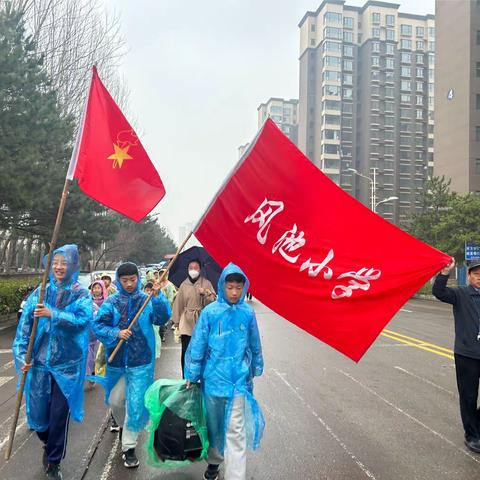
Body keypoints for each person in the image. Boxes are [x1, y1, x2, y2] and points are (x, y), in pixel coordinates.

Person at [12, 244, 92, 480]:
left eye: (64, 262)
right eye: (55, 262)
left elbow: (82, 320)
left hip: (67, 366)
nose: (58, 267)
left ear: (73, 266)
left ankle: (54, 461)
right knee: (38, 417)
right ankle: (48, 444)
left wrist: (53, 314)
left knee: (58, 415)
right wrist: (21, 357)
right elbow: (23, 330)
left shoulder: (80, 293)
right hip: (38, 365)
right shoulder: (41, 292)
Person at [184, 263, 264, 480]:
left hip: (238, 381)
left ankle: (235, 476)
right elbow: (198, 344)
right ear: (222, 286)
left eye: (239, 287)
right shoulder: (210, 313)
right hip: (213, 380)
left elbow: (255, 343)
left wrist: (256, 365)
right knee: (214, 426)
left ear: (244, 287)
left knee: (235, 431)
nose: (235, 292)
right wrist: (192, 374)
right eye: (230, 287)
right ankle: (214, 461)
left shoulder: (247, 313)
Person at [92, 262, 171, 469]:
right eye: (125, 280)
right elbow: (98, 325)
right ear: (119, 280)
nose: (129, 284)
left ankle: (129, 447)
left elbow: (163, 318)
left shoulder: (146, 300)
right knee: (116, 401)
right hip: (117, 363)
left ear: (138, 279)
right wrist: (116, 333)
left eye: (132, 279)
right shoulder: (111, 302)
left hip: (141, 363)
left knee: (135, 405)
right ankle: (122, 424)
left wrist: (159, 297)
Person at [433, 258, 480, 453]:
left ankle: (476, 422)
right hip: (467, 355)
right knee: (469, 396)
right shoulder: (460, 294)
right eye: (477, 274)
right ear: (469, 276)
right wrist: (445, 273)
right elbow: (439, 292)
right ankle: (472, 435)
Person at [171, 259, 216, 377]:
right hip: (186, 321)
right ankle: (185, 376)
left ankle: (201, 376)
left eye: (196, 268)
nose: (193, 270)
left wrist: (205, 294)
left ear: (200, 269)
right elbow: (178, 303)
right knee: (186, 349)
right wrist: (176, 322)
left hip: (202, 320)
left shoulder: (206, 283)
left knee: (202, 349)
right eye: (191, 268)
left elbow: (214, 303)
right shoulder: (183, 285)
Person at [86, 280, 108, 389]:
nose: (96, 290)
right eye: (94, 288)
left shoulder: (106, 301)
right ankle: (90, 374)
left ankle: (94, 373)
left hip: (100, 334)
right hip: (88, 333)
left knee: (97, 355)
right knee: (88, 355)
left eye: (99, 288)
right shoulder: (87, 302)